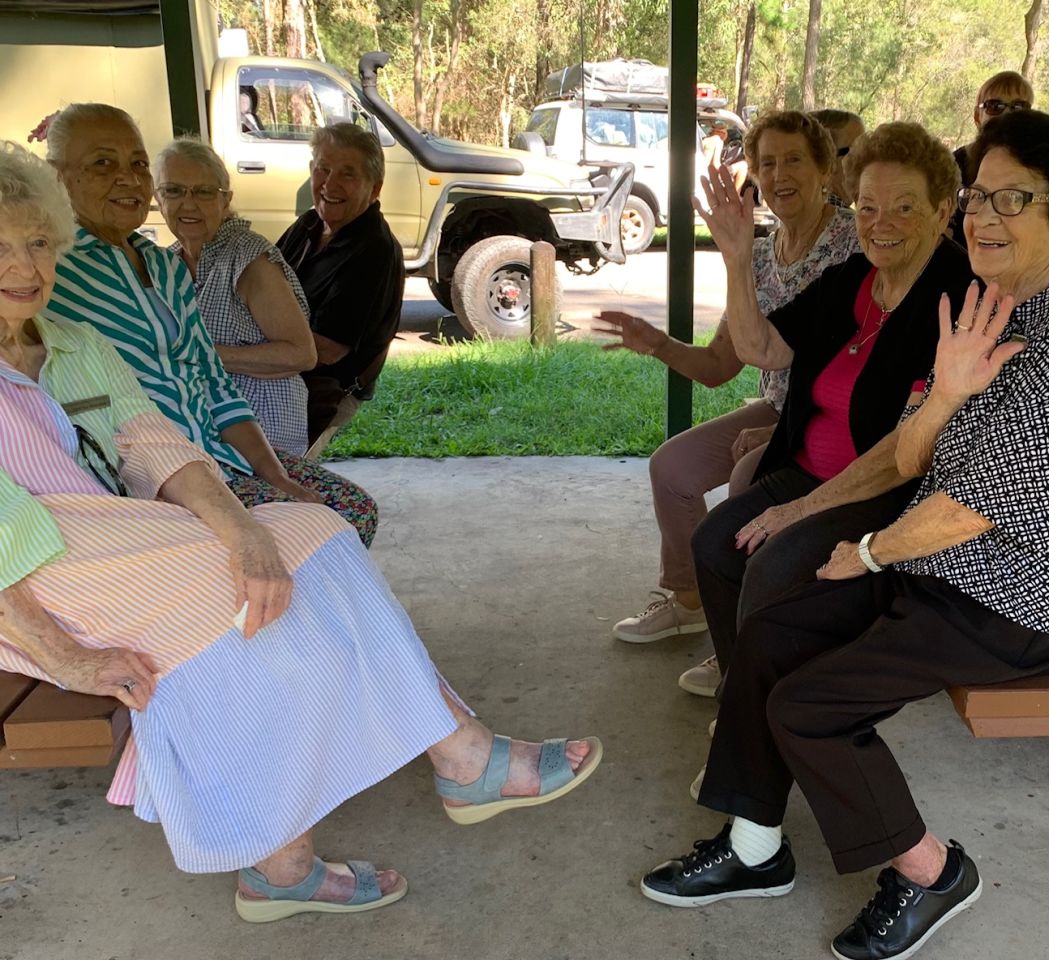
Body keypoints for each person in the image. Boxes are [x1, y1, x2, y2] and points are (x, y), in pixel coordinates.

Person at [0, 139, 601, 921]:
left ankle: (295, 858)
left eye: (38, 242)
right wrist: (65, 657)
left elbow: (156, 446)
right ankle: (450, 763)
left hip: (119, 540)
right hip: (36, 580)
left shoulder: (74, 344)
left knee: (308, 536)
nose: (25, 265)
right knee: (261, 598)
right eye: (2, 247)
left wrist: (247, 532)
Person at [639, 110, 1049, 960]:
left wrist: (869, 551)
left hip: (1022, 601)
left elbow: (966, 510)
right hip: (950, 570)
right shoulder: (991, 309)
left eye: (1013, 199)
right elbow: (911, 449)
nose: (986, 218)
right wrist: (946, 394)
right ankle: (753, 851)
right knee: (771, 635)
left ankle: (932, 871)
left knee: (809, 706)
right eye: (982, 196)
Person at [685, 122, 973, 712]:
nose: (880, 222)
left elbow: (906, 450)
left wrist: (797, 511)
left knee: (771, 566)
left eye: (903, 207)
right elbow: (762, 349)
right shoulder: (852, 279)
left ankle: (754, 716)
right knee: (715, 542)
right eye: (867, 206)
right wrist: (738, 260)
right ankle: (746, 691)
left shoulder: (953, 295)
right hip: (808, 470)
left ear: (943, 211)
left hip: (885, 493)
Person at [39, 103, 379, 546]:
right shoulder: (49, 270)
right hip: (152, 482)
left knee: (354, 512)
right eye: (102, 163)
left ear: (226, 198)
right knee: (313, 537)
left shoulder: (166, 267)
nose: (127, 178)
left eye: (138, 164)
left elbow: (213, 382)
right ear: (56, 176)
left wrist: (278, 477)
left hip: (222, 452)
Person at [592, 111, 859, 667]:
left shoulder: (853, 244)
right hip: (779, 407)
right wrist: (658, 342)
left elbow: (856, 365)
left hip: (838, 419)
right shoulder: (759, 254)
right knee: (672, 468)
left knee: (747, 478)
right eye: (766, 162)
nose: (779, 173)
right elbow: (719, 365)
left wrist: (776, 429)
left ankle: (744, 636)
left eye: (794, 160)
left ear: (824, 168)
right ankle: (691, 600)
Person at [155, 137, 316, 456]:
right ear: (157, 198)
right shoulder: (168, 263)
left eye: (203, 192)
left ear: (225, 200)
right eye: (173, 191)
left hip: (267, 437)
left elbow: (301, 354)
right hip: (206, 436)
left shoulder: (249, 258)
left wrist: (205, 354)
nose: (188, 204)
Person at [276, 123, 405, 445]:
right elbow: (259, 281)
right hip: (281, 372)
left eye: (347, 174)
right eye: (323, 169)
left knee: (268, 470)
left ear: (374, 188)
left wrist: (242, 347)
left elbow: (328, 350)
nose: (329, 184)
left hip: (322, 388)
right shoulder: (308, 224)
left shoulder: (374, 250)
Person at [947, 71, 1034, 241]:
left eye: (1019, 107)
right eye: (994, 106)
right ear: (977, 116)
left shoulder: (1039, 167)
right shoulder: (951, 166)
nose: (1007, 115)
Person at [811, 109, 865, 206]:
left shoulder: (802, 212)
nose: (866, 160)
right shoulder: (848, 219)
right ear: (828, 162)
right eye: (856, 152)